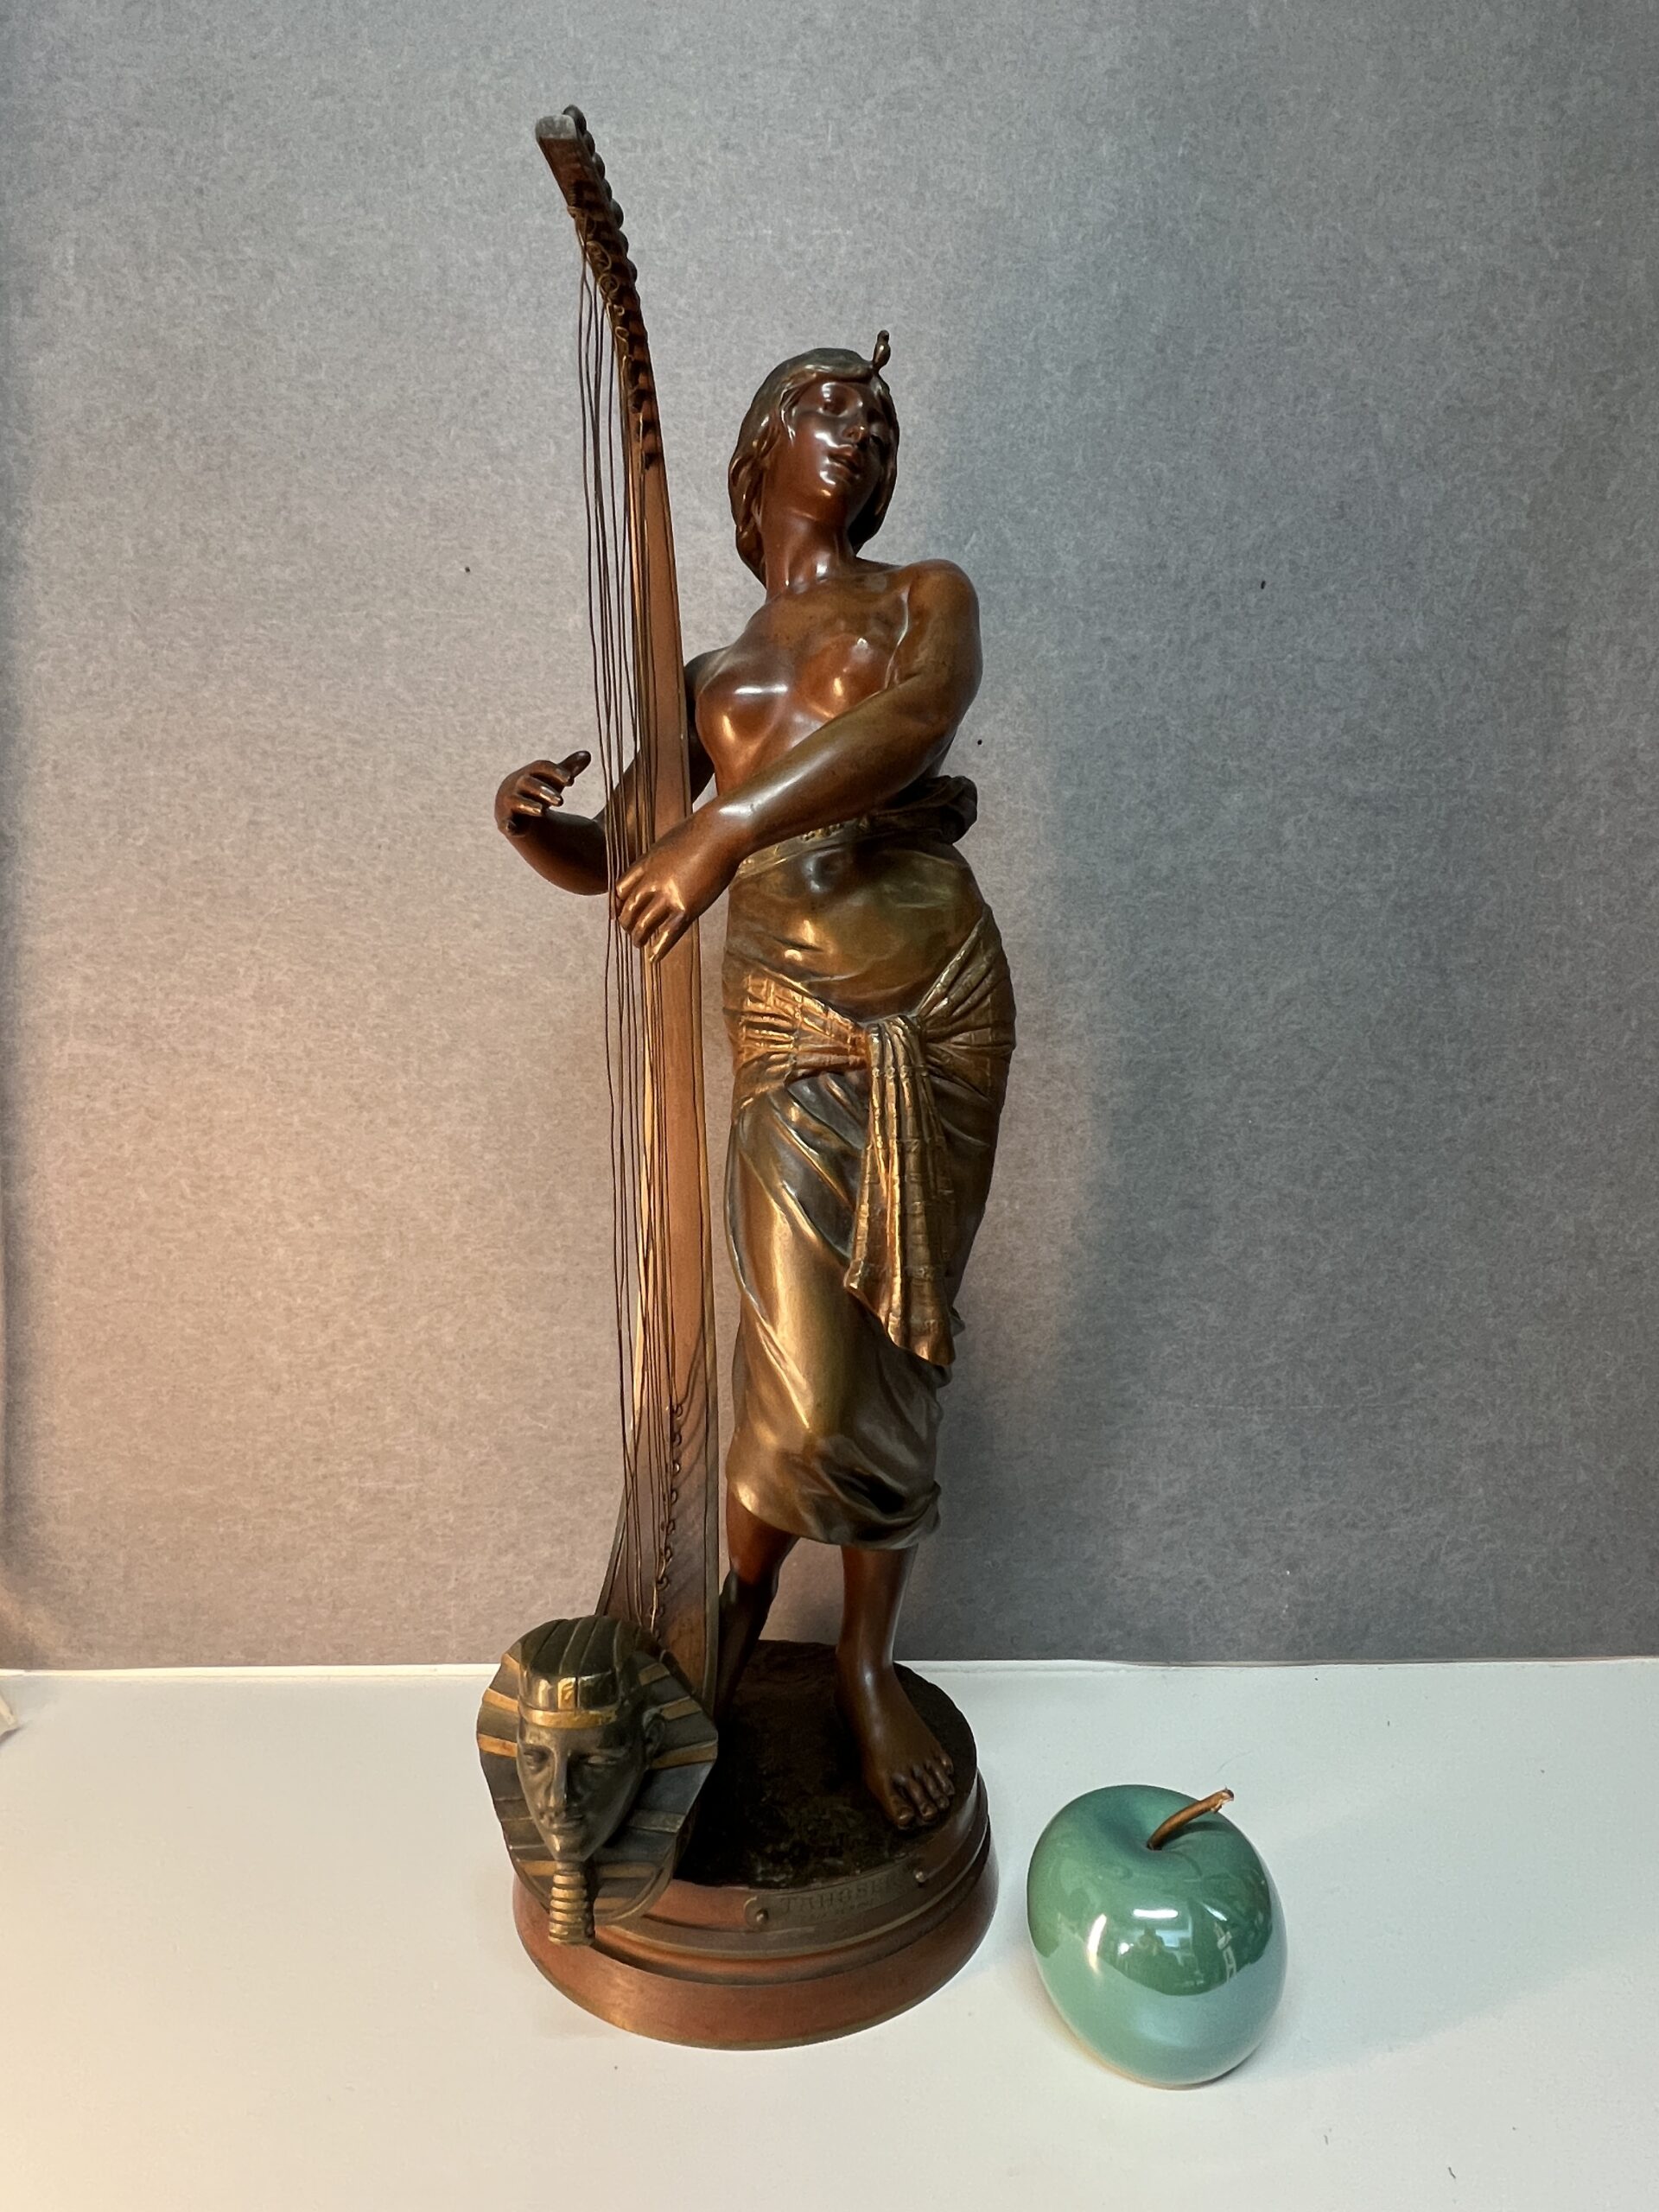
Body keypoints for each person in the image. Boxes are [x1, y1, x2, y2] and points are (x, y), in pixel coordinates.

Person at [495, 338, 1014, 1830]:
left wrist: (725, 831)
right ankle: (728, 1619)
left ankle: (867, 1663)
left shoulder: (925, 598)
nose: (862, 429)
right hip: (788, 1013)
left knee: (897, 1342)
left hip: (935, 994)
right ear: (763, 443)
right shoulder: (706, 678)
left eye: (880, 417)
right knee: (797, 1356)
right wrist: (541, 833)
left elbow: (909, 726)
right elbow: (632, 856)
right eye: (832, 404)